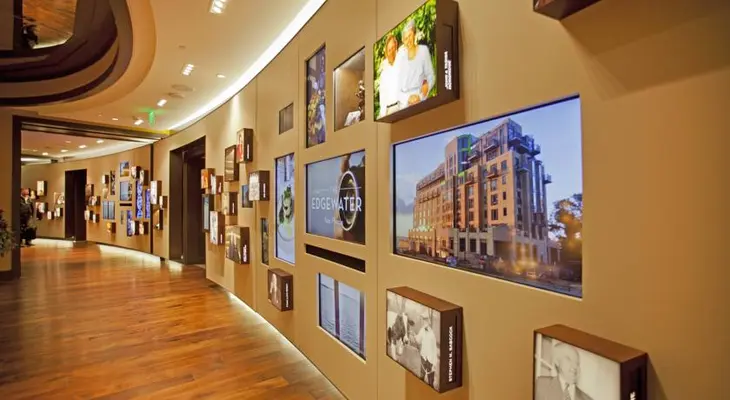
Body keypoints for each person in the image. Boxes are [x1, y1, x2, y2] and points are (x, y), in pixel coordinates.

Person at [396, 19, 436, 108]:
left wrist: (422, 94)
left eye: (410, 36)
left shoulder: (423, 50)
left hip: (421, 99)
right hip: (405, 104)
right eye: (405, 38)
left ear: (414, 34)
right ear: (403, 41)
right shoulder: (401, 57)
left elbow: (431, 76)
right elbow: (397, 88)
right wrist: (407, 98)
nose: (408, 40)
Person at [378, 34, 401, 118]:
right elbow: (382, 97)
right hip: (388, 111)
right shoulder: (384, 73)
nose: (391, 52)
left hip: (401, 107)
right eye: (389, 50)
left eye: (393, 48)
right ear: (386, 52)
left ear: (396, 49)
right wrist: (383, 115)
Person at [415, 310, 439, 388]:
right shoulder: (422, 330)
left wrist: (434, 364)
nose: (424, 321)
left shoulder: (432, 335)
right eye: (423, 319)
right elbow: (418, 340)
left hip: (430, 361)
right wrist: (414, 336)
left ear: (428, 321)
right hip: (423, 358)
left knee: (430, 381)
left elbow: (434, 350)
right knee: (421, 377)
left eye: (425, 319)